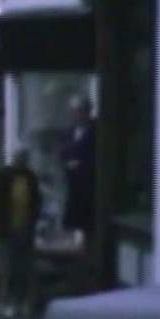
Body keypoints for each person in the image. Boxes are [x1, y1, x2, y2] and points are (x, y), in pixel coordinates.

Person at [0, 149, 42, 318]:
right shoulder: (3, 177)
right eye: (19, 159)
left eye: (24, 159)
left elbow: (37, 200)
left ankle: (22, 301)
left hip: (25, 229)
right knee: (7, 268)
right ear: (14, 160)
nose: (22, 162)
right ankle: (10, 302)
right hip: (5, 229)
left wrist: (35, 218)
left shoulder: (30, 178)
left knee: (24, 268)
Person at [61, 97, 96, 247]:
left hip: (90, 186)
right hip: (73, 183)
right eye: (74, 112)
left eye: (79, 111)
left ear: (87, 112)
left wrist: (82, 164)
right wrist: (66, 163)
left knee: (88, 224)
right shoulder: (70, 131)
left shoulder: (96, 130)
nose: (76, 115)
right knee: (74, 222)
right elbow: (63, 151)